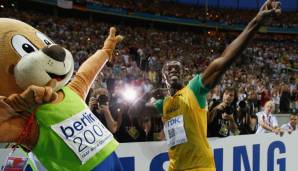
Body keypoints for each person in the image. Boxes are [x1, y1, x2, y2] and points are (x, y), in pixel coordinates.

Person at [129, 1, 281, 170]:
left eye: (177, 68)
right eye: (168, 69)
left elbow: (223, 61)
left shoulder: (193, 89)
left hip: (200, 167)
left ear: (184, 74)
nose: (173, 70)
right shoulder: (163, 103)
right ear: (163, 76)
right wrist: (146, 94)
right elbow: (133, 112)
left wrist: (256, 21)